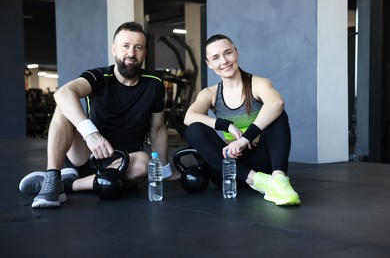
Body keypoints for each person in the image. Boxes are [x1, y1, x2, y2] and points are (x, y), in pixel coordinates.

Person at [19, 21, 179, 208]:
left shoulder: (154, 84)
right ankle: (53, 175)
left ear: (144, 52)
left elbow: (158, 129)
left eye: (138, 47)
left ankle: (67, 184)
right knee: (64, 103)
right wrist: (90, 133)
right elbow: (62, 93)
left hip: (123, 161)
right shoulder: (99, 77)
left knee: (146, 163)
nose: (131, 53)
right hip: (86, 154)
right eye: (125, 46)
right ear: (114, 49)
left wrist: (165, 170)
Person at [184, 34, 300, 206]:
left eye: (228, 53)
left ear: (236, 52)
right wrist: (226, 125)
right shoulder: (210, 93)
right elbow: (189, 117)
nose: (224, 61)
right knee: (194, 129)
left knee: (278, 114)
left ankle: (278, 178)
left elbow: (277, 102)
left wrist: (245, 139)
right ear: (209, 64)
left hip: (264, 164)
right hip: (231, 171)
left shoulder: (258, 83)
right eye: (216, 58)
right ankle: (257, 181)